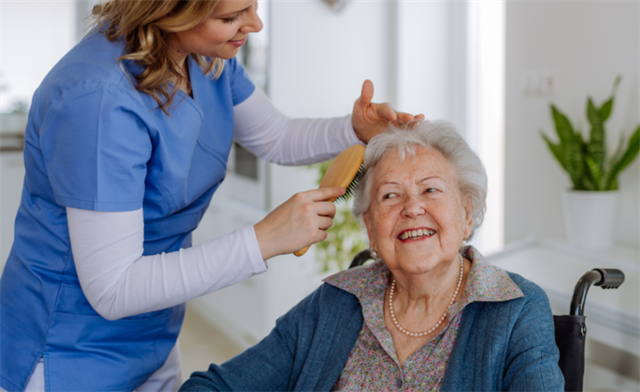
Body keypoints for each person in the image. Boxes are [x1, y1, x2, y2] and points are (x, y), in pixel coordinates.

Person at [0, 1, 423, 391]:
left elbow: (277, 136)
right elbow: (113, 288)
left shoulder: (201, 57)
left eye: (253, 6)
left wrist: (353, 131)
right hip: (67, 351)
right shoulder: (98, 100)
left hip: (152, 333)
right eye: (231, 17)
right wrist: (263, 240)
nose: (254, 25)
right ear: (171, 11)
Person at [179, 121, 565, 392]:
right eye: (390, 195)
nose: (412, 208)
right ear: (370, 228)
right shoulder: (334, 302)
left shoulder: (516, 308)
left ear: (467, 214)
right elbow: (213, 387)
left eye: (431, 190)